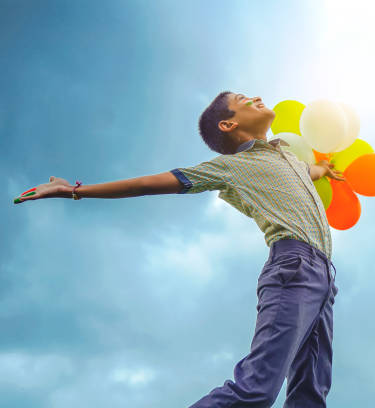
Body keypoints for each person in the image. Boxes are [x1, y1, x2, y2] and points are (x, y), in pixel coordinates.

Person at [13, 91, 344, 408]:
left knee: (311, 396)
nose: (256, 97)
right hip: (293, 269)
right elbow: (146, 184)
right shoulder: (233, 166)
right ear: (228, 125)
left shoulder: (288, 155)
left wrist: (322, 170)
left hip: (324, 279)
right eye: (244, 100)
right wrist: (74, 190)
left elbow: (307, 172)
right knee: (256, 390)